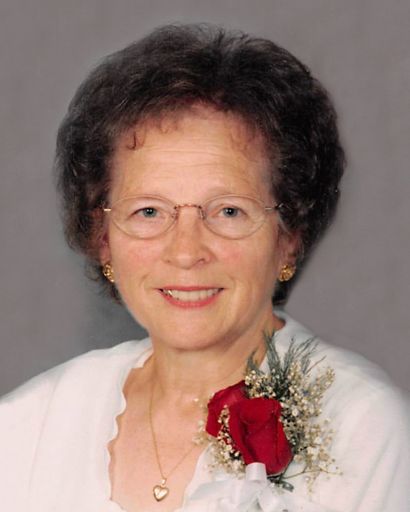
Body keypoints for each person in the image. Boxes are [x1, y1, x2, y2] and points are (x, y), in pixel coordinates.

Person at [0, 23, 408, 512]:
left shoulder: (366, 433)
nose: (186, 252)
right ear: (103, 240)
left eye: (228, 211)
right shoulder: (28, 427)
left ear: (289, 237)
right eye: (148, 211)